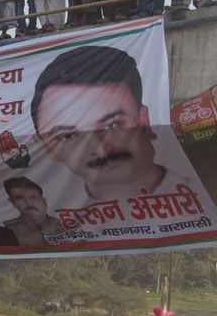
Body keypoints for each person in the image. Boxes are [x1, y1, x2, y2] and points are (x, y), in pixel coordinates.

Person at [30, 44, 204, 207]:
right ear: (44, 146)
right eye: (67, 136)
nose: (100, 148)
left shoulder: (204, 203)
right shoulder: (52, 223)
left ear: (144, 119)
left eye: (111, 125)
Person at [1, 177, 66, 246]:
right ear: (12, 202)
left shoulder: (64, 225)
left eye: (33, 197)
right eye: (19, 198)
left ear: (44, 201)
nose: (28, 203)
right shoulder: (7, 231)